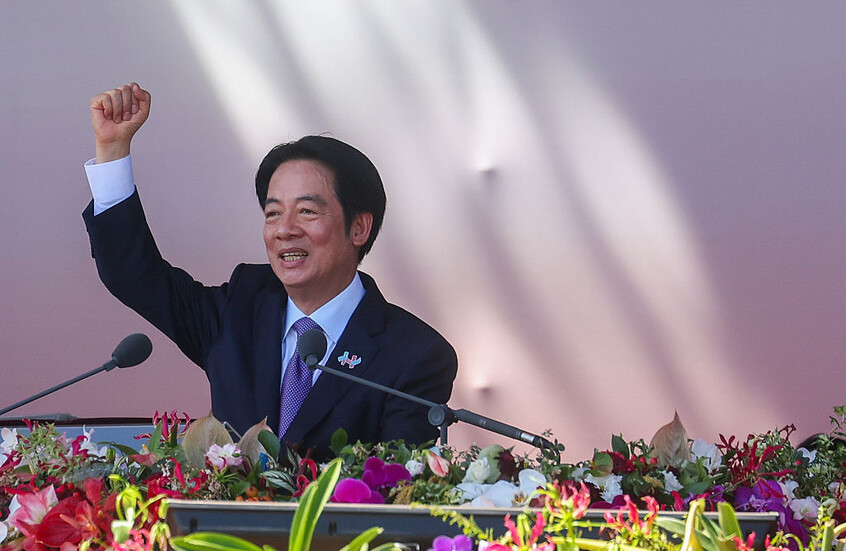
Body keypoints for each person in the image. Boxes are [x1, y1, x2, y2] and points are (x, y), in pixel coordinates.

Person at [82, 83, 458, 458]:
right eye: (273, 213)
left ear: (359, 227)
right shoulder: (240, 308)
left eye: (307, 211)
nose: (284, 229)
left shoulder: (414, 355)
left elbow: (397, 481)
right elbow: (134, 275)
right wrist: (113, 150)